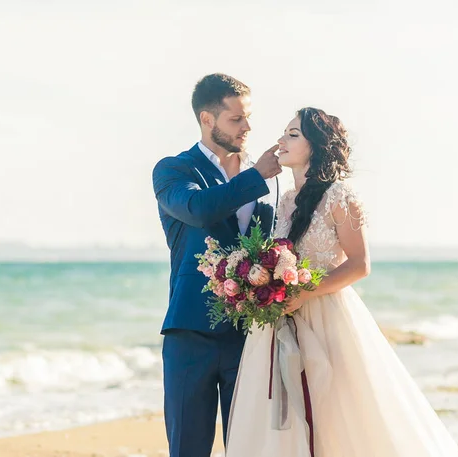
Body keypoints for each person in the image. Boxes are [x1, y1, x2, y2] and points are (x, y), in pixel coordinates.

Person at [225, 107, 458, 457]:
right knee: (284, 417)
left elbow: (359, 264)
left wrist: (303, 292)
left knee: (338, 413)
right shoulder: (286, 200)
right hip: (280, 324)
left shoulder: (340, 195)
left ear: (317, 145)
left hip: (326, 317)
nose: (281, 141)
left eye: (293, 134)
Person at [152, 73, 281, 457]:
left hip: (247, 335)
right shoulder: (174, 170)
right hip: (191, 334)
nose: (247, 127)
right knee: (188, 449)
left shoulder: (263, 178)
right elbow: (199, 210)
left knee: (248, 448)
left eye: (248, 117)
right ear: (207, 119)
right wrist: (257, 176)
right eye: (236, 119)